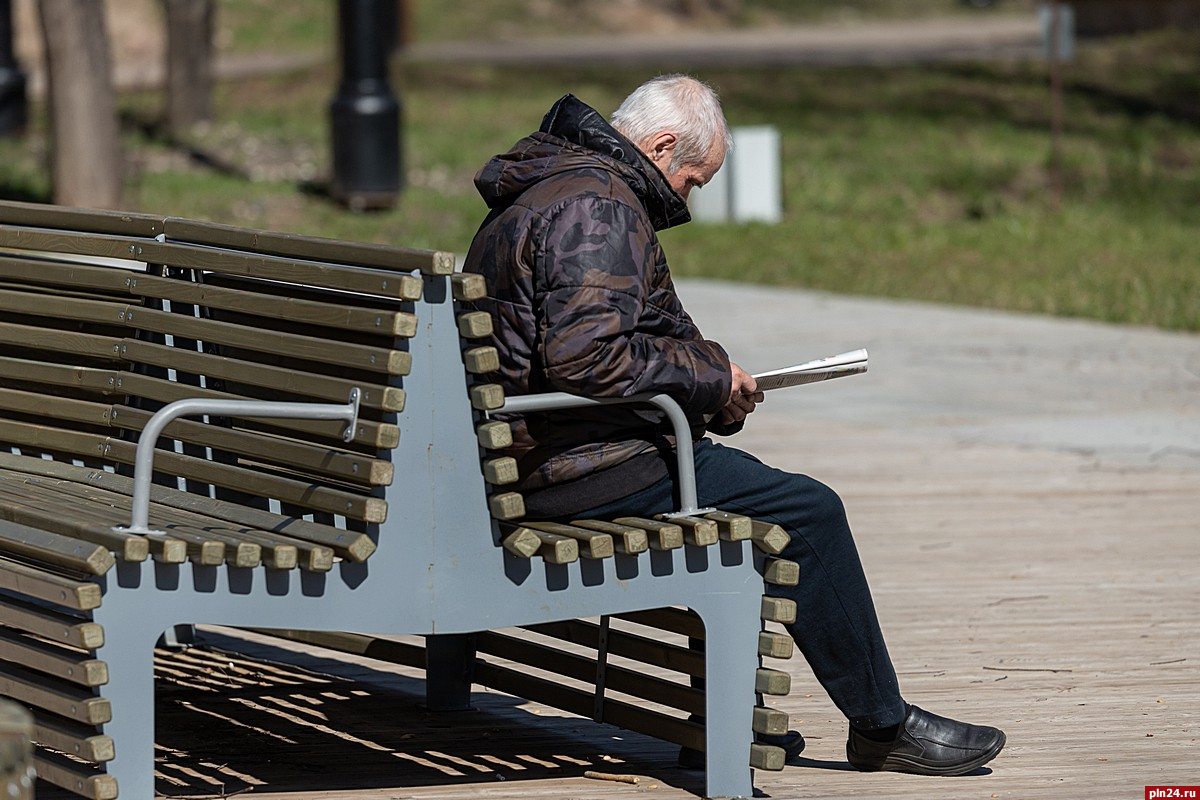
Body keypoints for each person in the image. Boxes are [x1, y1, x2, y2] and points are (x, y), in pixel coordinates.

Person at [462, 73, 1005, 777]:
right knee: (808, 511)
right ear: (659, 145)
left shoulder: (546, 185)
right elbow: (588, 357)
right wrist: (712, 378)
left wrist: (712, 383)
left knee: (751, 496)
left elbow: (598, 343)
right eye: (692, 179)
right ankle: (882, 724)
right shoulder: (597, 209)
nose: (687, 198)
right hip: (574, 467)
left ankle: (724, 715)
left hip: (526, 455)